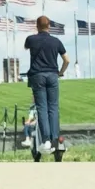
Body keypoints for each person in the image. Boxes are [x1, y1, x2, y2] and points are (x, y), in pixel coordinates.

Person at [23, 15, 70, 154]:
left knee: (42, 108)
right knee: (53, 108)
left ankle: (46, 140)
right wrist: (60, 72)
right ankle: (55, 139)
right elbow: (67, 60)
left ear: (36, 26)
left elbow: (26, 47)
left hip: (37, 76)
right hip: (53, 75)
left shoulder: (31, 39)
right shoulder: (56, 41)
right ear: (49, 26)